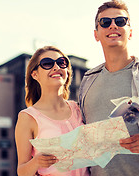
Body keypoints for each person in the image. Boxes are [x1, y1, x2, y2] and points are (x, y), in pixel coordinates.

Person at [78, 0, 139, 176]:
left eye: (120, 21)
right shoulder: (87, 81)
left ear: (130, 32)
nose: (113, 26)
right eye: (105, 22)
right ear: (96, 34)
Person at [15, 46, 90, 176]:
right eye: (47, 64)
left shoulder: (79, 108)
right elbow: (22, 171)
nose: (56, 67)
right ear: (35, 74)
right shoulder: (27, 117)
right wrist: (36, 162)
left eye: (61, 62)